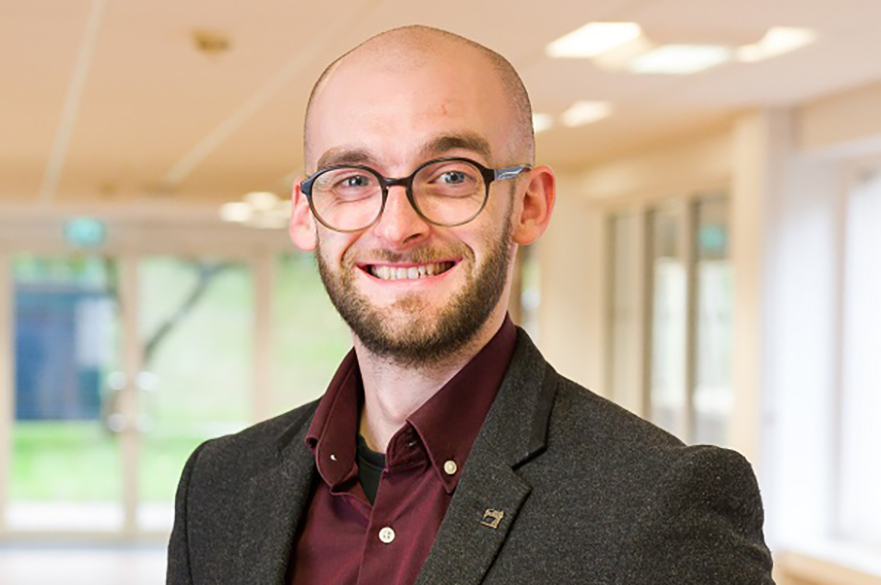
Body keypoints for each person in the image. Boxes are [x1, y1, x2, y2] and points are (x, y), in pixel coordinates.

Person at [166, 25, 775, 585]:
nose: (397, 227)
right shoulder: (219, 487)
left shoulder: (660, 500)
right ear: (305, 213)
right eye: (353, 180)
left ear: (530, 204)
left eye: (452, 176)